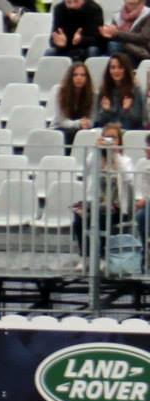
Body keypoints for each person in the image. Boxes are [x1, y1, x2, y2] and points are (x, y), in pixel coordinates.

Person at [72, 123, 133, 269]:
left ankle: (103, 257)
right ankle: (84, 256)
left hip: (116, 206)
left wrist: (115, 155)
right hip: (95, 202)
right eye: (107, 137)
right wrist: (96, 149)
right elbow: (87, 168)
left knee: (102, 217)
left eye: (114, 138)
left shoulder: (125, 160)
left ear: (119, 141)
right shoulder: (96, 157)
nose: (110, 140)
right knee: (79, 219)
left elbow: (128, 178)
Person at [50, 62, 97, 147]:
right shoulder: (61, 93)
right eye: (75, 75)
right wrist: (78, 123)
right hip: (61, 129)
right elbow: (61, 121)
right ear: (70, 77)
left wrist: (87, 123)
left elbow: (93, 119)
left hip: (82, 129)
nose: (79, 78)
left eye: (82, 75)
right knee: (69, 135)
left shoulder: (93, 95)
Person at [95, 52, 144, 130]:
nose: (116, 71)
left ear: (126, 69)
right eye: (113, 67)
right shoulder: (103, 90)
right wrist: (106, 111)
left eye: (120, 67)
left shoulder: (135, 90)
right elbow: (98, 121)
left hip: (128, 133)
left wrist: (126, 110)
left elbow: (138, 120)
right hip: (107, 133)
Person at [99, 0, 150, 67]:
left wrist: (117, 33)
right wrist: (107, 33)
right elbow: (114, 36)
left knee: (115, 46)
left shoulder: (147, 14)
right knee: (112, 45)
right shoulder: (117, 15)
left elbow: (143, 38)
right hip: (122, 49)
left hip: (140, 51)